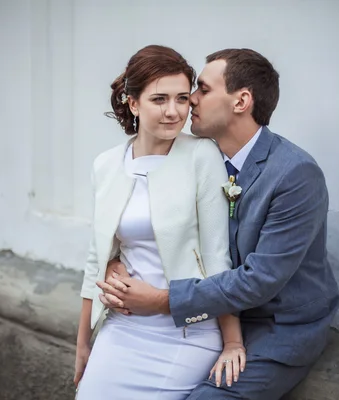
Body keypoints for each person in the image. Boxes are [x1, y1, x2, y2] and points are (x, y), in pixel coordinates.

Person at [98, 48, 339, 399]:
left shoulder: (294, 174)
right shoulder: (195, 159)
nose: (190, 100)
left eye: (203, 90)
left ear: (241, 101)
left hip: (274, 326)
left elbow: (260, 281)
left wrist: (160, 301)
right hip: (209, 318)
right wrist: (115, 264)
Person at [74, 45, 247, 400]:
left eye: (182, 99)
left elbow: (217, 256)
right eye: (159, 99)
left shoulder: (201, 155)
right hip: (121, 328)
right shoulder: (106, 165)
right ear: (133, 103)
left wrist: (232, 342)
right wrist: (82, 344)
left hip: (185, 333)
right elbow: (97, 256)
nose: (173, 112)